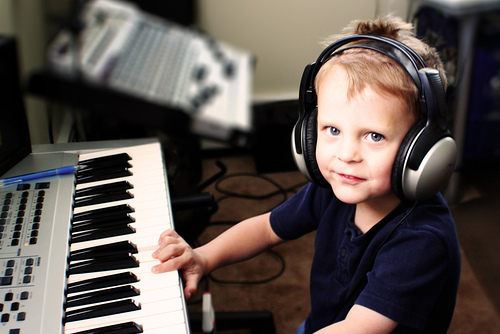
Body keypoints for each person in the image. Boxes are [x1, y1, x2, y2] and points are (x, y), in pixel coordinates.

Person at [151, 15, 461, 334]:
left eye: (374, 136)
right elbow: (266, 229)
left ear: (421, 147)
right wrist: (203, 257)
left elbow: (360, 327)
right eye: (332, 130)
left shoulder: (421, 240)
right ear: (309, 132)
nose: (346, 155)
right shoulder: (332, 188)